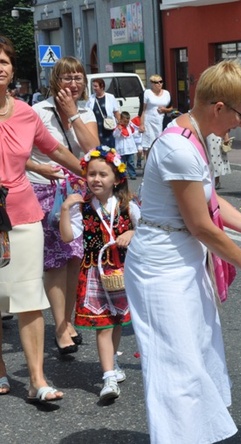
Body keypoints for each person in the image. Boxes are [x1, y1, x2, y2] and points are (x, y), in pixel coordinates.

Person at [124, 60, 241, 443]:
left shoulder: (193, 135)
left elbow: (210, 201)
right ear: (219, 108)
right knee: (177, 368)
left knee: (196, 356)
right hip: (161, 267)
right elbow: (200, 224)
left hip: (183, 259)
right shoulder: (180, 147)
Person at [0, 35, 83, 402]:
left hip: (22, 212)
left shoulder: (25, 113)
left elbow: (55, 149)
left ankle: (36, 380)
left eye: (2, 61)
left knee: (28, 296)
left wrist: (97, 171)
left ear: (11, 68)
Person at [28, 56, 100, 355]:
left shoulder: (85, 109)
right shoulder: (37, 112)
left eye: (78, 77)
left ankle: (68, 320)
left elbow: (93, 149)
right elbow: (16, 154)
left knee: (75, 258)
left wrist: (72, 115)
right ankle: (59, 327)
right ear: (55, 80)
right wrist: (40, 168)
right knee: (55, 260)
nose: (73, 83)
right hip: (45, 191)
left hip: (78, 193)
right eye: (67, 77)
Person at [60, 146, 139, 401]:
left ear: (116, 179)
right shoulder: (81, 206)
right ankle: (107, 378)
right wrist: (64, 209)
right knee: (104, 325)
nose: (96, 179)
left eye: (103, 175)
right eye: (91, 174)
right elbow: (67, 237)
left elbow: (148, 230)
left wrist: (132, 233)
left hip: (123, 270)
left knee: (117, 322)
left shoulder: (128, 205)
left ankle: (112, 363)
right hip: (95, 270)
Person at [139, 74, 171, 155]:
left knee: (161, 144)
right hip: (149, 122)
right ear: (152, 83)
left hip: (162, 121)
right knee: (149, 146)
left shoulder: (166, 93)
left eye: (161, 82)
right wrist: (141, 124)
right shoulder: (147, 93)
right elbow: (143, 110)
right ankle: (148, 164)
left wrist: (165, 110)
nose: (159, 84)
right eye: (157, 82)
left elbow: (171, 108)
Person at [86, 78, 120, 148]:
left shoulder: (110, 97)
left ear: (102, 87)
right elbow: (86, 111)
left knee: (110, 148)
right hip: (96, 127)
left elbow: (116, 112)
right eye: (93, 86)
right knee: (97, 147)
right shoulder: (91, 98)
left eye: (96, 86)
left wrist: (120, 124)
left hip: (108, 127)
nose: (94, 88)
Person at [113, 111, 139, 180]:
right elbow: (115, 135)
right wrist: (118, 130)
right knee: (122, 163)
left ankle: (132, 174)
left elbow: (134, 134)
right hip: (121, 149)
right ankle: (122, 175)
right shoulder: (117, 127)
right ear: (121, 120)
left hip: (130, 149)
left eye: (127, 121)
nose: (126, 123)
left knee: (131, 162)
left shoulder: (130, 127)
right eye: (124, 121)